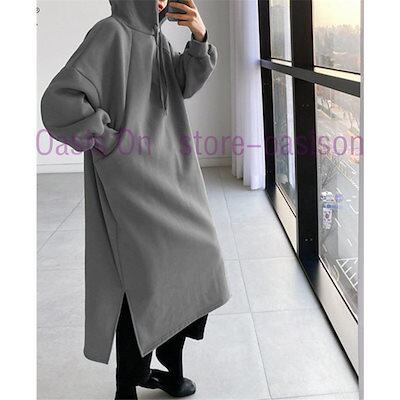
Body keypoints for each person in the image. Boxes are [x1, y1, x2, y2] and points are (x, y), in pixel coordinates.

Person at [40, 0, 231, 399]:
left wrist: (200, 37)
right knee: (143, 279)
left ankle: (169, 359)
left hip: (174, 170)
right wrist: (109, 140)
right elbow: (58, 102)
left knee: (199, 261)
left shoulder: (158, 39)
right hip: (133, 181)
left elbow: (184, 84)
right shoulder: (110, 33)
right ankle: (128, 383)